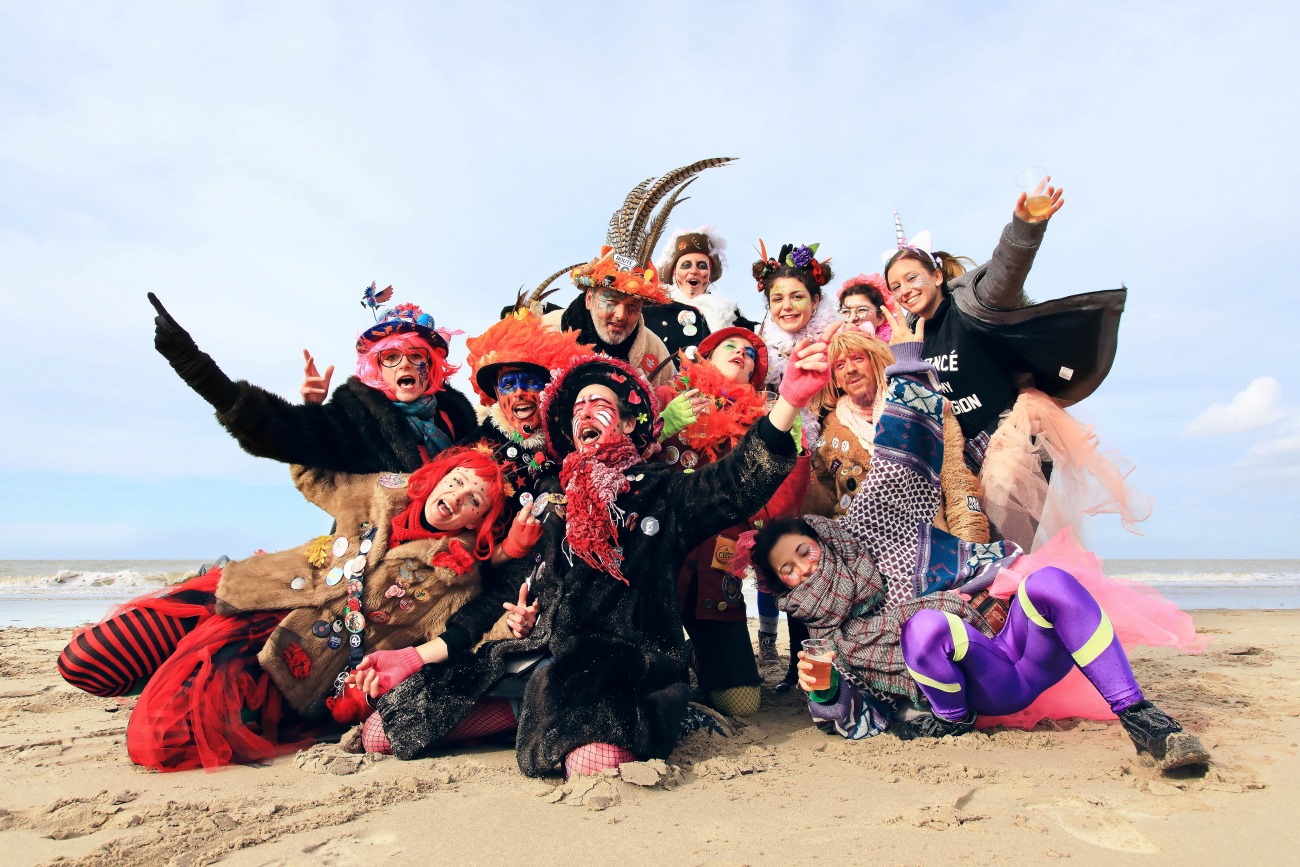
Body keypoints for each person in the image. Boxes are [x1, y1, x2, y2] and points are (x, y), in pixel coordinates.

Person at [360, 324, 835, 778]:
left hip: (622, 663)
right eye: (578, 407)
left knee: (591, 761)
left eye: (599, 403)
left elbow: (735, 482)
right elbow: (507, 590)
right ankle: (526, 712)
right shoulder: (552, 499)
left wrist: (789, 401)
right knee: (384, 731)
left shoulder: (663, 493)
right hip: (539, 656)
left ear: (628, 422)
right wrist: (422, 655)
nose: (586, 412)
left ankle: (650, 714)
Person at [749, 309, 1208, 773]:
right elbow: (858, 716)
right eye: (789, 570)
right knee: (924, 627)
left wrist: (907, 363)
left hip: (1017, 649)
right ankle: (951, 720)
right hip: (979, 686)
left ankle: (1143, 718)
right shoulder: (829, 638)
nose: (804, 568)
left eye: (804, 551)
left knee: (1051, 581)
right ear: (784, 588)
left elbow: (899, 460)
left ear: (824, 539)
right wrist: (826, 690)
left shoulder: (870, 538)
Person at [57, 447, 540, 771]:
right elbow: (315, 478)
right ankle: (161, 671)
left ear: (479, 520)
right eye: (456, 481)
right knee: (86, 660)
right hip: (247, 594)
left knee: (157, 741)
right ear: (438, 478)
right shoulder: (387, 491)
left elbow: (470, 631)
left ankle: (166, 681)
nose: (456, 497)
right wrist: (310, 407)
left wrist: (512, 624)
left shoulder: (456, 576)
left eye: (474, 499)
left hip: (285, 663)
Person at [884, 188, 1147, 550]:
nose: (905, 290)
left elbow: (1007, 268)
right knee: (969, 551)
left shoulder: (973, 304)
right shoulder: (910, 336)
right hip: (961, 454)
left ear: (937, 275)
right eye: (895, 286)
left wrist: (1025, 228)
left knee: (1005, 547)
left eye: (913, 278)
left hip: (1012, 437)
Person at [653, 326, 810, 718]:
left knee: (741, 704)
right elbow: (620, 464)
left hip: (716, 573)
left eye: (750, 353)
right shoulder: (667, 397)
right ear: (706, 355)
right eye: (730, 345)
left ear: (754, 375)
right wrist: (657, 427)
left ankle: (700, 655)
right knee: (655, 686)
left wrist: (792, 453)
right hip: (657, 573)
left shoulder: (765, 425)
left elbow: (780, 511)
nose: (741, 352)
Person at [150, 290, 477, 474]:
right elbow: (281, 432)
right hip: (373, 558)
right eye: (391, 357)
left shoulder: (455, 415)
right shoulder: (355, 415)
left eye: (416, 355)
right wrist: (192, 364)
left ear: (431, 365)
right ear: (376, 368)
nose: (404, 363)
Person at [543, 158, 737, 387]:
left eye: (632, 307)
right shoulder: (546, 331)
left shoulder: (656, 353)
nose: (620, 315)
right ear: (589, 298)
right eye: (610, 301)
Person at [804, 326, 987, 542]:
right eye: (840, 365)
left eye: (858, 359)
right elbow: (823, 498)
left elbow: (958, 484)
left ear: (875, 362)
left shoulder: (921, 405)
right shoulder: (829, 433)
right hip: (863, 545)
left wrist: (970, 546)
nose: (850, 369)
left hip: (928, 540)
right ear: (835, 379)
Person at [461, 309, 592, 508]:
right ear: (497, 394)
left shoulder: (569, 441)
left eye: (530, 382)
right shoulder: (476, 444)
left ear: (550, 389)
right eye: (508, 384)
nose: (519, 392)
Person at [646, 225, 753, 354]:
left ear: (709, 274)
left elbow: (762, 337)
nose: (694, 271)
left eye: (702, 266)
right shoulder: (653, 307)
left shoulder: (728, 314)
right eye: (686, 265)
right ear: (674, 272)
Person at [837, 272, 894, 341]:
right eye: (845, 311)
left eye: (861, 310)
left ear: (880, 318)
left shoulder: (898, 345)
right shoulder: (829, 345)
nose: (852, 318)